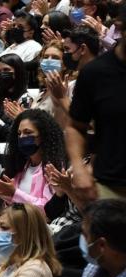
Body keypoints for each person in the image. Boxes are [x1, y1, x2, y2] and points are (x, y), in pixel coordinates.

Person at [66, 5, 126, 201]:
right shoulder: (95, 73)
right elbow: (75, 127)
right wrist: (79, 167)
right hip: (111, 186)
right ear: (120, 26)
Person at [0, 109, 66, 210]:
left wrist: (15, 194)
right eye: (19, 133)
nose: (22, 137)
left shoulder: (53, 168)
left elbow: (48, 211)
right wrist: (7, 196)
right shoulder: (20, 165)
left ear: (43, 136)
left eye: (28, 132)